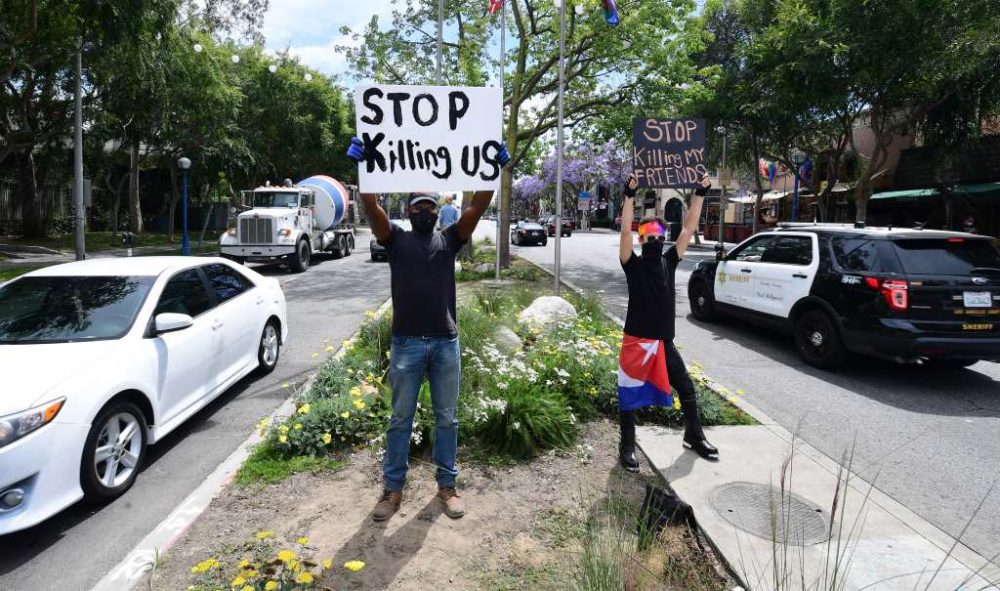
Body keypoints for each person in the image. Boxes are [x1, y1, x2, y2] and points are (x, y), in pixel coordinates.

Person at [346, 136, 511, 521]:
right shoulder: (395, 240)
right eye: (418, 205)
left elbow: (477, 205)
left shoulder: (449, 240)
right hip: (406, 346)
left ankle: (447, 486)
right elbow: (370, 207)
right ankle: (392, 491)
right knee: (400, 420)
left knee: (447, 419)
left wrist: (492, 170)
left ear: (437, 212)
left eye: (430, 206)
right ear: (408, 210)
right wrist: (364, 169)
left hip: (444, 345)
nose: (424, 210)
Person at [616, 174, 719, 472]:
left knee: (686, 387)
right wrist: (629, 196)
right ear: (641, 240)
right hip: (637, 342)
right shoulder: (631, 263)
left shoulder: (670, 260)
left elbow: (688, 228)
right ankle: (627, 444)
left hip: (664, 342)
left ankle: (694, 435)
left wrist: (699, 192)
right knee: (630, 395)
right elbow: (624, 230)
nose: (656, 241)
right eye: (650, 237)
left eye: (660, 237)